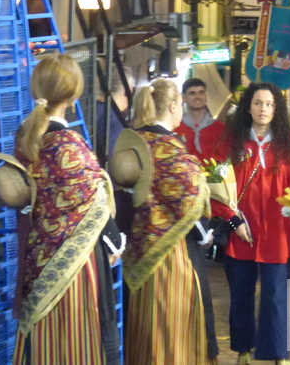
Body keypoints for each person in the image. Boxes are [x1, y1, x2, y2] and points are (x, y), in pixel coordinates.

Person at [10, 54, 122, 364]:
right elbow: (97, 205)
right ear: (73, 97)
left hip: (36, 262)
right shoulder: (70, 145)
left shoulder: (23, 140)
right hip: (77, 269)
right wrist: (117, 242)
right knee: (78, 344)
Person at [122, 78, 217, 365]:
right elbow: (189, 206)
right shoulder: (171, 150)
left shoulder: (133, 144)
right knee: (173, 334)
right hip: (172, 258)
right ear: (175, 106)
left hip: (137, 254)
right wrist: (206, 235)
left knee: (143, 331)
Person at [211, 82, 290, 365]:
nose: (263, 109)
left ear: (276, 110)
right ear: (248, 107)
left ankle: (279, 353)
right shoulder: (232, 143)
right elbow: (215, 188)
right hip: (241, 234)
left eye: (269, 104)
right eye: (258, 103)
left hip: (278, 236)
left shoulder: (287, 144)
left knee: (276, 296)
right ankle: (243, 350)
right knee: (241, 295)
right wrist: (233, 223)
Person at [176, 77, 226, 160]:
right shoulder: (176, 128)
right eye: (192, 93)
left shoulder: (219, 128)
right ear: (184, 98)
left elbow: (224, 159)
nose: (197, 97)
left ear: (206, 96)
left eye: (201, 92)